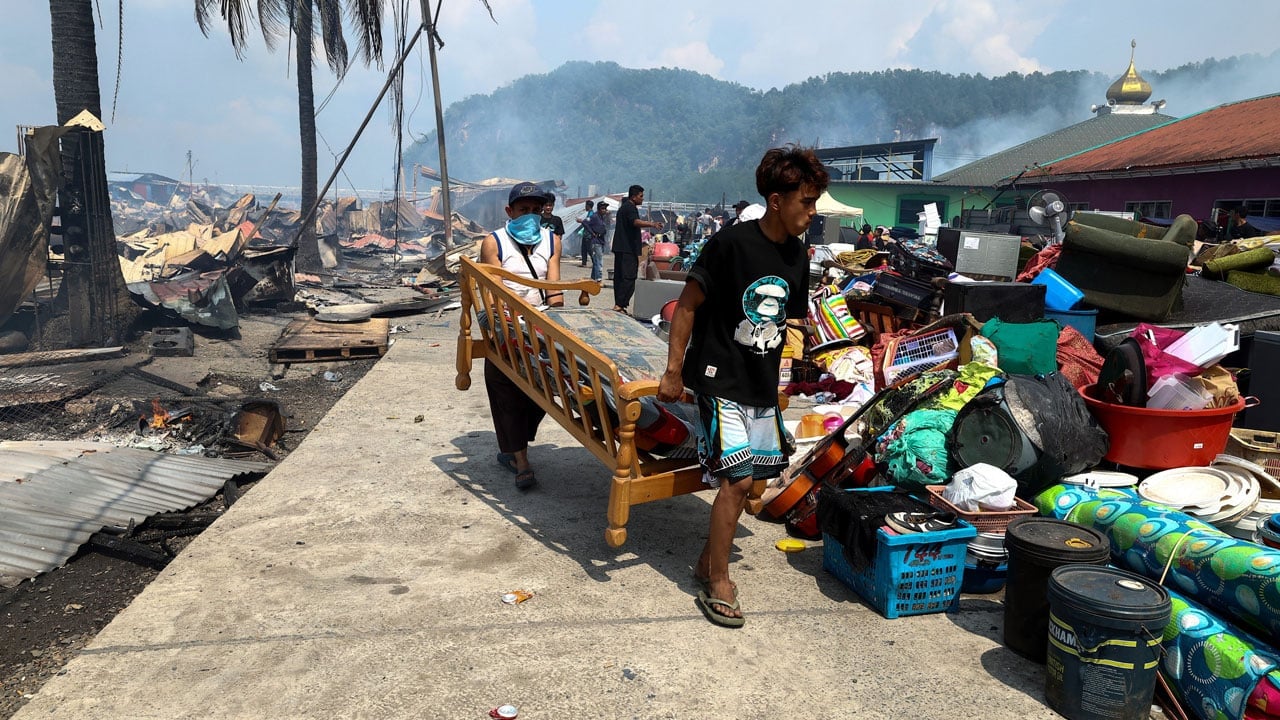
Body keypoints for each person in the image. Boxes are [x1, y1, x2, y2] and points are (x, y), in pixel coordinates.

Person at [657, 145, 829, 627]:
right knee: (735, 481)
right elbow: (687, 306)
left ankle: (707, 559)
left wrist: (797, 373)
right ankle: (719, 582)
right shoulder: (730, 244)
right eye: (806, 202)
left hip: (759, 384)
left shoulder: (798, 253)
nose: (812, 214)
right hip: (717, 377)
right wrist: (673, 372)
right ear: (777, 200)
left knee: (756, 480)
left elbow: (790, 322)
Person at [479, 182, 565, 491]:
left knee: (546, 390)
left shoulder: (552, 241)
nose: (530, 216)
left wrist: (560, 324)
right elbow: (493, 293)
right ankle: (521, 459)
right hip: (508, 324)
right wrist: (506, 328)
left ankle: (514, 447)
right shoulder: (495, 242)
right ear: (510, 211)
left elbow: (554, 289)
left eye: (535, 210)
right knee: (505, 387)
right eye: (523, 210)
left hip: (541, 324)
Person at [611, 184, 663, 313]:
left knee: (621, 276)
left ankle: (620, 304)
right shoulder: (630, 208)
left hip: (622, 247)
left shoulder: (625, 207)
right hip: (627, 248)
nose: (642, 199)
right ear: (634, 197)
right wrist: (652, 224)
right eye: (641, 196)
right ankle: (619, 305)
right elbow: (635, 222)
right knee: (628, 277)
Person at [584, 203, 608, 282]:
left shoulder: (601, 217)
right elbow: (585, 222)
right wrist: (592, 233)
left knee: (596, 261)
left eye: (605, 208)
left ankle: (593, 278)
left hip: (601, 241)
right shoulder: (594, 216)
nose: (604, 210)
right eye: (602, 208)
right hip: (595, 241)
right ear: (598, 209)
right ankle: (598, 278)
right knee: (599, 260)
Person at [577, 200, 595, 267]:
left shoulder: (591, 213)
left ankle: (594, 262)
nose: (585, 207)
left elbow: (588, 222)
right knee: (584, 249)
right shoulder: (589, 213)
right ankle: (584, 263)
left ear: (588, 206)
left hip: (589, 235)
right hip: (585, 234)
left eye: (586, 206)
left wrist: (581, 221)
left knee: (589, 250)